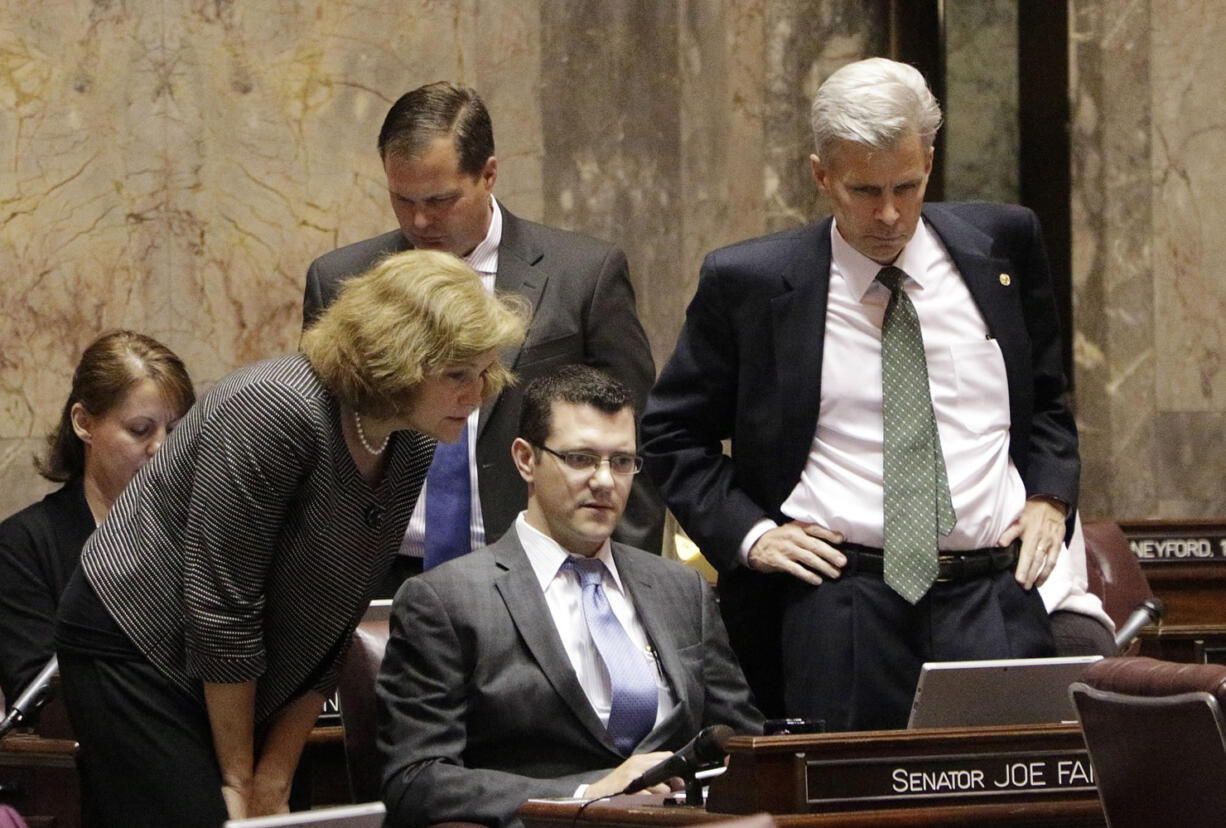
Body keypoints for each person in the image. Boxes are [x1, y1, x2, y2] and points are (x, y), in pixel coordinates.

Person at [641, 57, 1081, 730]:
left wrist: (1050, 495)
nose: (889, 213)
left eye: (907, 185)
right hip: (842, 604)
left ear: (929, 160)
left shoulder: (1005, 244)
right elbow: (673, 436)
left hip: (993, 595)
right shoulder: (751, 283)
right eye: (863, 189)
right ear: (821, 175)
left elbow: (1048, 397)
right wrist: (752, 534)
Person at [53, 250, 526, 826]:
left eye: (482, 373)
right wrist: (237, 777)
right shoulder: (276, 408)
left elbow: (335, 620)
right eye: (457, 375)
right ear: (392, 358)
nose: (476, 397)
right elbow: (222, 605)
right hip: (133, 642)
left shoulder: (414, 438)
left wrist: (272, 777)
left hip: (241, 669)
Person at [303, 82, 662, 591]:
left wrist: (623, 582)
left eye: (441, 200)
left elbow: (634, 434)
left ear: (488, 174)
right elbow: (321, 446)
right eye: (402, 200)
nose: (420, 220)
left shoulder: (583, 274)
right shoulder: (341, 279)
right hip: (381, 574)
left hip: (539, 570)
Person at [377, 365, 762, 828]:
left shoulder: (682, 589)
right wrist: (586, 793)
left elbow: (743, 741)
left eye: (621, 461)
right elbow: (416, 780)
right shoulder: (446, 600)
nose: (605, 481)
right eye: (580, 458)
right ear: (525, 460)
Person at [0, 330, 194, 706]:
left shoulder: (199, 531)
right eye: (140, 430)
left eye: (174, 431)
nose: (161, 448)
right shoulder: (24, 545)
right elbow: (40, 696)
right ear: (83, 423)